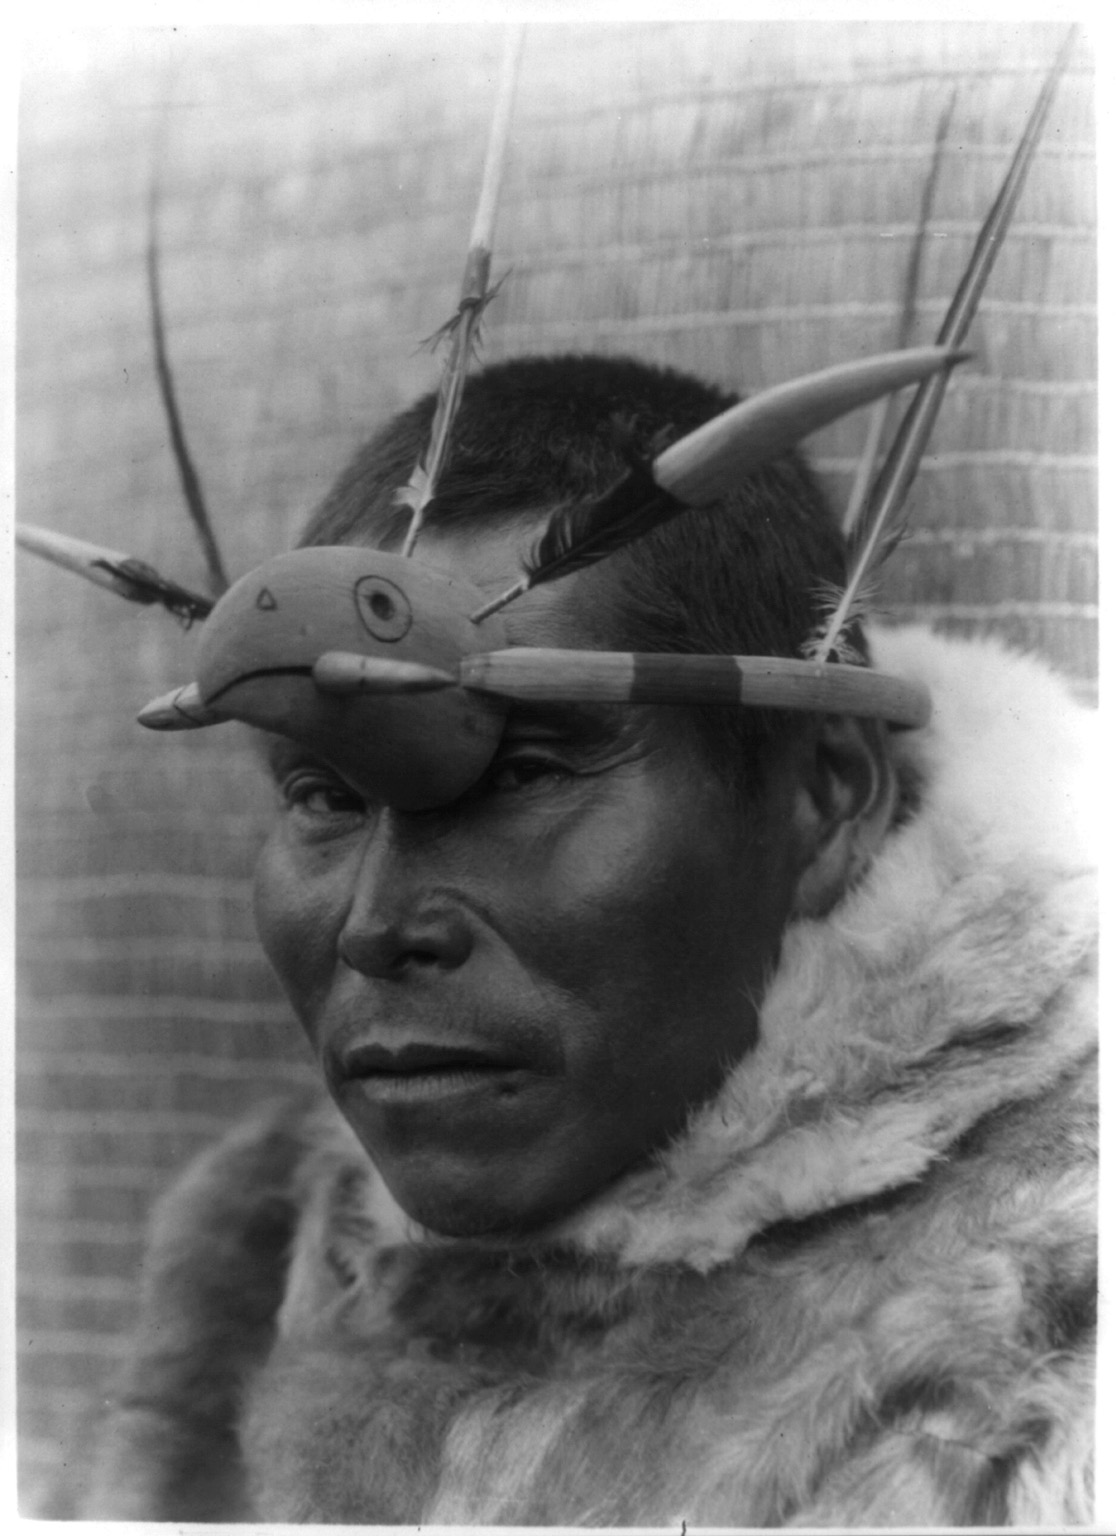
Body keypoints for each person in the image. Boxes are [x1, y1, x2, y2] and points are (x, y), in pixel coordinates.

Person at [78, 354, 1096, 1525]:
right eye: (323, 796)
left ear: (824, 799)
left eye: (524, 774)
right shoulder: (252, 1256)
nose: (374, 927)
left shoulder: (1058, 1334)